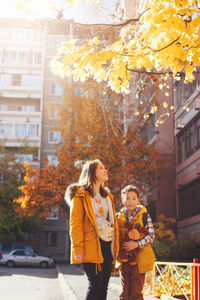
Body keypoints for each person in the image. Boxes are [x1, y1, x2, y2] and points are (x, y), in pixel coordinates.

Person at [65, 159, 119, 300]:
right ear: (91, 173)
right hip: (91, 244)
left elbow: (112, 221)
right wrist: (77, 248)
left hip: (108, 243)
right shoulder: (81, 195)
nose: (105, 170)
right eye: (101, 168)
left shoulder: (108, 197)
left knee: (104, 287)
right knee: (95, 285)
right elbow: (75, 223)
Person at [117, 185, 155, 300]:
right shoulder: (119, 216)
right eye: (127, 198)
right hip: (123, 261)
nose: (130, 201)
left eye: (134, 198)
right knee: (124, 293)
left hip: (139, 260)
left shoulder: (144, 215)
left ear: (138, 200)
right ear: (123, 200)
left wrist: (137, 244)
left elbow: (151, 236)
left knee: (136, 293)